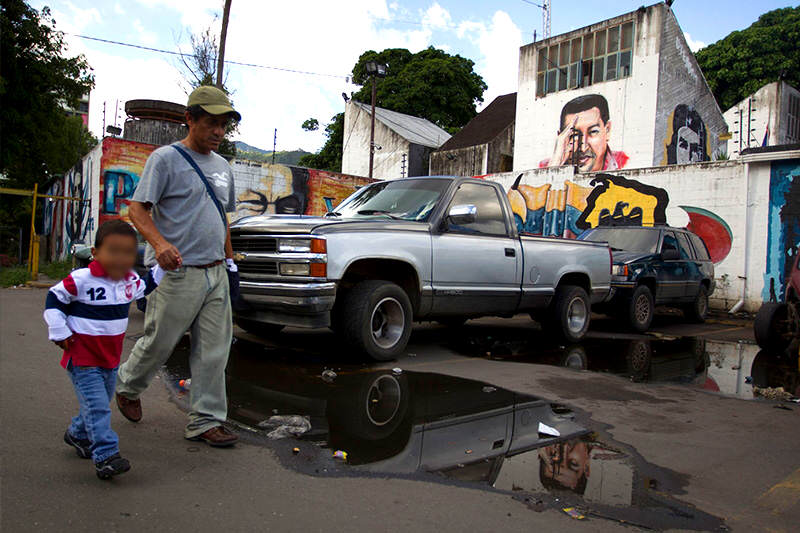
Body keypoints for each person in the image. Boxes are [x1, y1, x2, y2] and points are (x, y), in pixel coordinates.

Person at [115, 85, 241, 447]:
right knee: (160, 341)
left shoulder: (222, 167)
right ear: (191, 119)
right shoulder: (165, 159)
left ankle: (205, 421)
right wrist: (160, 244)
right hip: (177, 271)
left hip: (215, 272)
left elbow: (222, 218)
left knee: (215, 350)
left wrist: (230, 262)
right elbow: (137, 209)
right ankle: (127, 386)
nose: (218, 132)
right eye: (211, 123)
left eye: (223, 126)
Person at [44, 220, 145, 479]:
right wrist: (59, 329)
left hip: (110, 360)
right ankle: (105, 456)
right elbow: (54, 299)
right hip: (83, 359)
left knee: (96, 404)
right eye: (113, 250)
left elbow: (148, 286)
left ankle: (77, 434)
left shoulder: (128, 280)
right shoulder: (82, 279)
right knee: (99, 407)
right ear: (95, 251)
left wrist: (167, 270)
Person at [539, 93, 628, 173]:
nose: (583, 147)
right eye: (574, 135)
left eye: (593, 132)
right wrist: (555, 165)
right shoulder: (545, 168)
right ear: (560, 139)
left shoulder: (625, 163)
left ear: (607, 130)